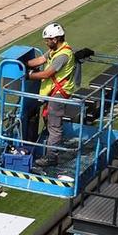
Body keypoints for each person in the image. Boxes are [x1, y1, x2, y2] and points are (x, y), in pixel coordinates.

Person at [24, 23, 78, 171]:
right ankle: (51, 149)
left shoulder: (62, 55)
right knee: (49, 122)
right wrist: (23, 64)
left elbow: (47, 74)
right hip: (54, 93)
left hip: (58, 94)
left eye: (47, 40)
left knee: (54, 127)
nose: (46, 43)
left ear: (55, 39)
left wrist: (29, 75)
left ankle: (51, 157)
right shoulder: (56, 50)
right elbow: (40, 60)